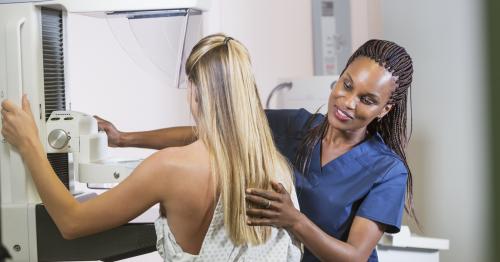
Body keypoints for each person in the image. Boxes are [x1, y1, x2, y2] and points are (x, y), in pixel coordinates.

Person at [95, 39, 415, 262]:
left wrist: (294, 220)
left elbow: (355, 257)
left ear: (384, 110)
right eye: (347, 85)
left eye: (367, 99)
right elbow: (210, 133)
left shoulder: (387, 170)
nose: (348, 102)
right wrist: (123, 138)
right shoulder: (296, 126)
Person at [0, 34, 301, 261]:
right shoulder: (275, 169)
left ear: (194, 90)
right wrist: (124, 137)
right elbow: (204, 137)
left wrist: (29, 145)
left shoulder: (169, 168)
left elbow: (71, 223)